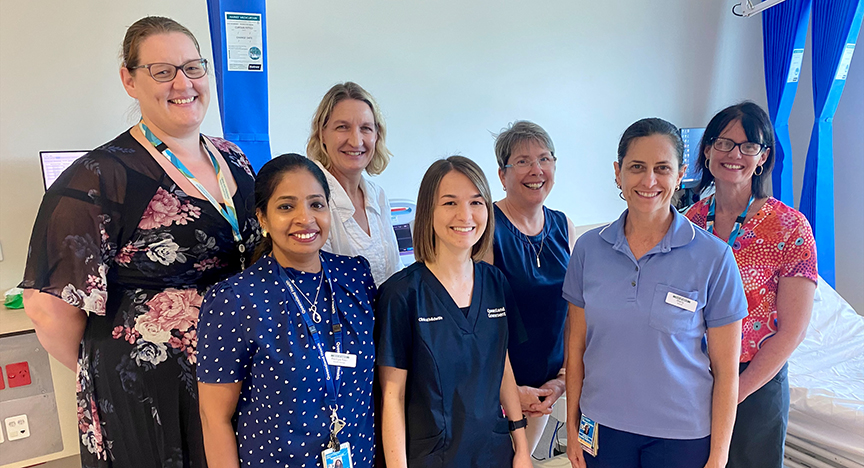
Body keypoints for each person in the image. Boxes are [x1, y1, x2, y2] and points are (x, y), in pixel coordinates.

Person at [20, 16, 259, 467]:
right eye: (162, 71)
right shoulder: (100, 178)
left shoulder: (233, 157)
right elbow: (47, 308)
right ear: (129, 80)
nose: (183, 83)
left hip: (233, 376)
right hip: (149, 390)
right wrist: (115, 365)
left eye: (193, 67)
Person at [563, 118, 747, 468]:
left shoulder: (714, 257)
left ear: (680, 175)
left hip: (682, 435)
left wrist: (719, 456)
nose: (649, 181)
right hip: (602, 427)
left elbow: (726, 371)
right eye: (636, 167)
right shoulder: (588, 250)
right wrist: (572, 426)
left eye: (662, 168)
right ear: (618, 173)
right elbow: (576, 348)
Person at [197, 154, 376, 468]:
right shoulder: (235, 300)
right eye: (286, 206)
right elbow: (214, 418)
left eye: (316, 204)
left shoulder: (355, 277)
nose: (305, 218)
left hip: (359, 457)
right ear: (263, 218)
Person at [376, 156, 533, 468]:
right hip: (433, 457)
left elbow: (501, 365)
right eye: (450, 203)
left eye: (476, 202)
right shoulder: (402, 294)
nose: (465, 215)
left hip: (493, 451)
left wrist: (522, 447)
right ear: (427, 212)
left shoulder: (494, 281)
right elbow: (391, 397)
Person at [684, 102, 817, 468]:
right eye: (724, 143)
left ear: (763, 157)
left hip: (755, 382)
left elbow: (792, 330)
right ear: (707, 149)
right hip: (692, 375)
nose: (734, 154)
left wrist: (733, 393)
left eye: (748, 146)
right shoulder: (687, 224)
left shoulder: (791, 229)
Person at [482, 120, 576, 453]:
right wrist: (509, 390)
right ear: (502, 174)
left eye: (544, 159)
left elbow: (573, 314)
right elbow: (482, 326)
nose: (536, 169)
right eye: (522, 161)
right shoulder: (487, 227)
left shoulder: (564, 225)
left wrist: (563, 379)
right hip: (498, 386)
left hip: (546, 386)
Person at [307, 82, 401, 286]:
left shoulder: (378, 196)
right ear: (322, 133)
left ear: (376, 136)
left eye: (365, 128)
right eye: (343, 127)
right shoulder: (312, 201)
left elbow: (395, 273)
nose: (356, 141)